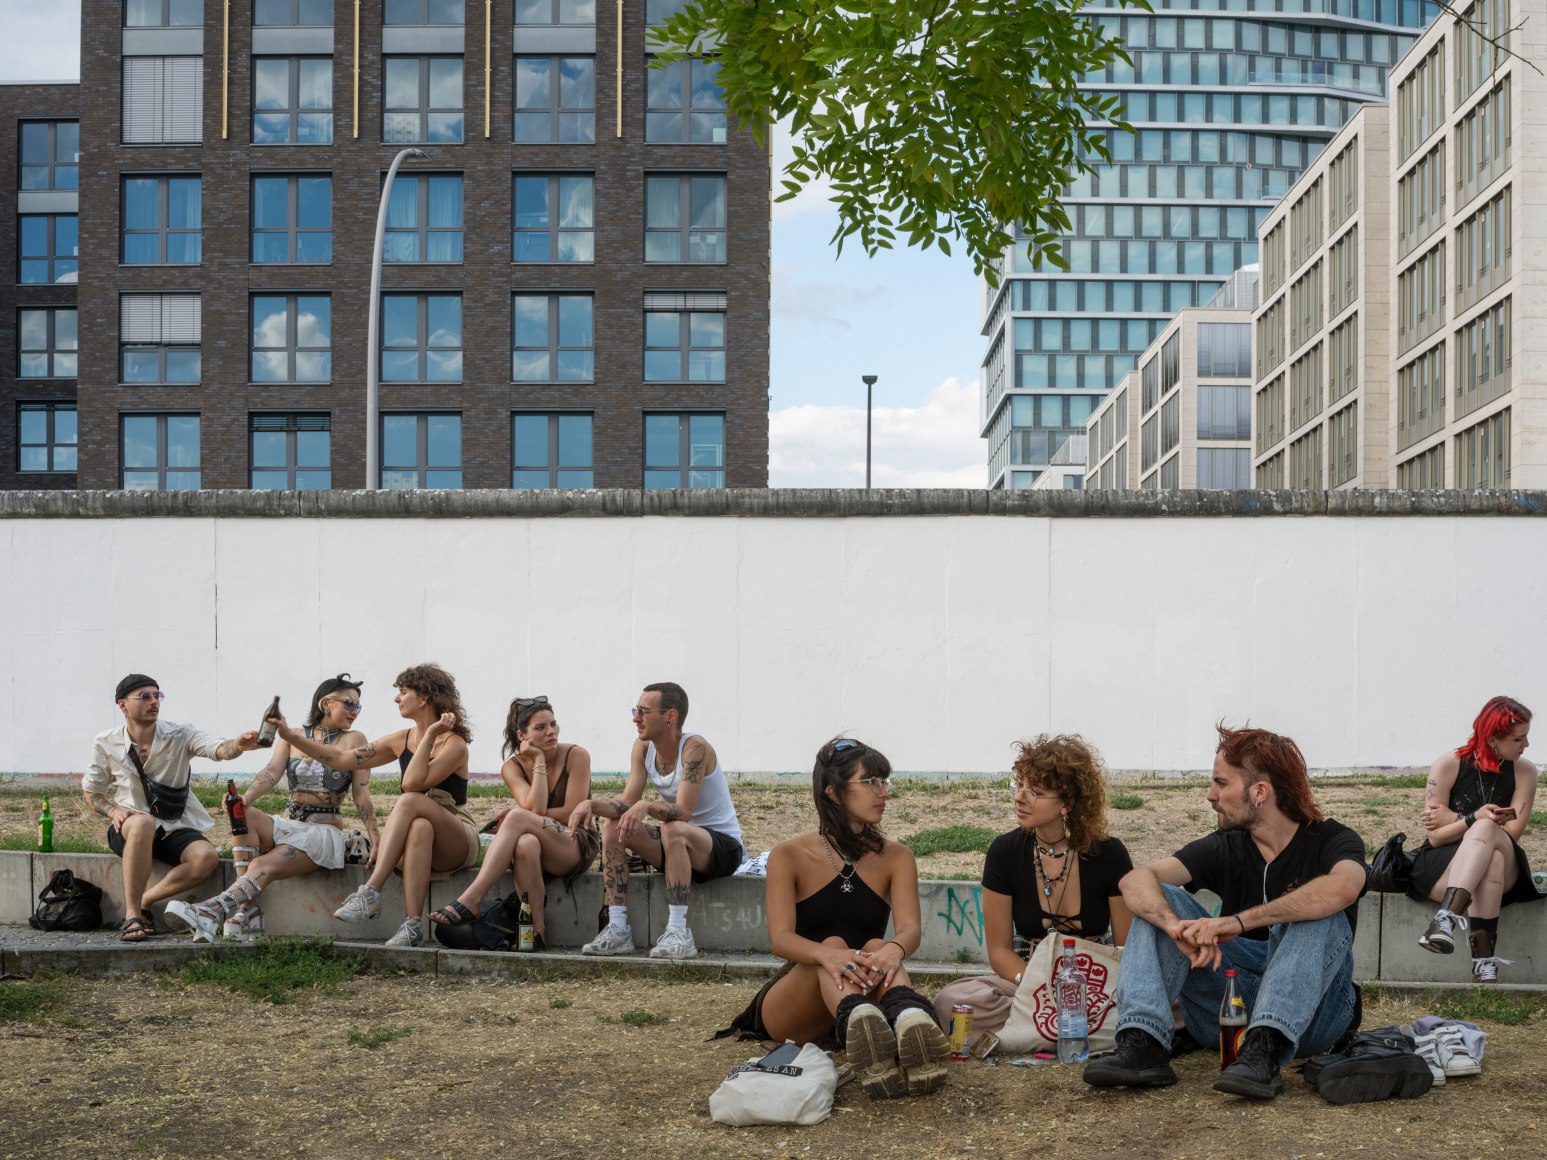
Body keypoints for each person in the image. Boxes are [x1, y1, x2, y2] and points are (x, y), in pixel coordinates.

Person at [1083, 724, 1366, 1101]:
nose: (1210, 795)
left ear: (1259, 792)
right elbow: (1135, 880)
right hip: (1229, 1007)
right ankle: (1143, 1045)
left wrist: (1239, 922)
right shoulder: (1225, 846)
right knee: (1160, 898)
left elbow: (1345, 887)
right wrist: (1174, 928)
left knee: (1319, 910)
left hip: (1315, 1015)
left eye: (1221, 783)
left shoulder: (1333, 839)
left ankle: (1264, 1050)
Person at [720, 737, 951, 1099]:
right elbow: (780, 940)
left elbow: (910, 929)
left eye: (884, 781)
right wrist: (829, 955)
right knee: (833, 945)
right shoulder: (789, 855)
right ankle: (866, 1024)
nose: (883, 792)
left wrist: (894, 949)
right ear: (833, 791)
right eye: (870, 781)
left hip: (866, 981)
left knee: (877, 945)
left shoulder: (898, 857)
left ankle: (908, 1025)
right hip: (796, 1001)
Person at [932, 735, 1134, 1037]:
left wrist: (1088, 990)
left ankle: (1037, 1029)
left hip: (1096, 981)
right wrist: (1041, 987)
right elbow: (999, 951)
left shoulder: (1109, 854)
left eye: (1035, 792)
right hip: (1025, 981)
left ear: (1066, 803)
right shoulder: (1005, 852)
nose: (1019, 797)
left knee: (1159, 1004)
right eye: (1020, 786)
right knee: (951, 1001)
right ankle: (1072, 1030)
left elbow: (1127, 949)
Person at [272, 663, 479, 948]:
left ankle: (370, 892)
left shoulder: (453, 743)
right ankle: (412, 925)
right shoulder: (401, 739)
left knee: (409, 801)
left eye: (403, 692)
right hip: (419, 836)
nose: (396, 698)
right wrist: (292, 737)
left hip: (457, 837)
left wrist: (430, 734)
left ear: (424, 698)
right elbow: (341, 759)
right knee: (418, 826)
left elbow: (413, 785)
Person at [164, 675, 379, 942]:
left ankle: (210, 911)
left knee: (262, 864)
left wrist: (376, 836)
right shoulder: (294, 737)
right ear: (326, 703)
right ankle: (247, 911)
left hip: (323, 833)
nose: (355, 712)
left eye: (358, 707)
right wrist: (245, 799)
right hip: (290, 824)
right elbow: (271, 772)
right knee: (242, 813)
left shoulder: (354, 739)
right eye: (349, 704)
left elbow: (362, 793)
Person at [570, 682, 744, 959]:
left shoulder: (695, 748)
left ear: (670, 716)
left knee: (674, 828)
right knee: (613, 826)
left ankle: (679, 932)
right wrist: (591, 805)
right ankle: (618, 927)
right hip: (677, 847)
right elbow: (624, 804)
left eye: (643, 711)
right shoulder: (642, 749)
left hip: (721, 848)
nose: (635, 717)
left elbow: (683, 813)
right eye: (635, 710)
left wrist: (648, 806)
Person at [82, 674, 259, 941]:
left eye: (157, 695)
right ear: (122, 705)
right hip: (131, 827)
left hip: (174, 824)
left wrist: (238, 745)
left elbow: (218, 749)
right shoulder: (106, 742)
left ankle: (144, 900)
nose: (154, 701)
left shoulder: (179, 734)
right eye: (145, 696)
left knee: (206, 857)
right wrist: (112, 811)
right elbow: (91, 792)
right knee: (142, 822)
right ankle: (132, 916)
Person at [429, 694, 598, 949]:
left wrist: (525, 813)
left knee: (519, 816)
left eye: (553, 725)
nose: (551, 732)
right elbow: (537, 808)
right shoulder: (512, 767)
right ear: (522, 736)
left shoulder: (576, 755)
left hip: (574, 842)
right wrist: (539, 762)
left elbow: (571, 812)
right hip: (538, 847)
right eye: (541, 728)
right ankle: (536, 932)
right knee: (525, 842)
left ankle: (472, 898)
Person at [1411, 695, 1538, 983]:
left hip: (1507, 860)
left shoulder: (1525, 771)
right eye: (1519, 739)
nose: (1526, 745)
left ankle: (1445, 919)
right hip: (1445, 865)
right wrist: (1471, 818)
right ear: (1494, 738)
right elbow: (1434, 838)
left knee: (1489, 836)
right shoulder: (1448, 764)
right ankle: (1484, 963)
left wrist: (1461, 819)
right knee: (1488, 857)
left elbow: (1512, 833)